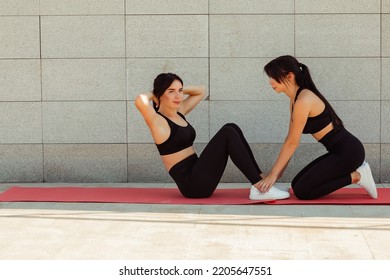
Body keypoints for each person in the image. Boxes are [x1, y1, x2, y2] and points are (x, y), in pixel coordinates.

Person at [135, 73, 289, 200]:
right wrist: (155, 92)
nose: (178, 96)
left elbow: (201, 90)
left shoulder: (178, 112)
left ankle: (262, 182)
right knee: (227, 133)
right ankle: (259, 187)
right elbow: (139, 101)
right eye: (171, 91)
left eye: (180, 91)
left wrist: (176, 87)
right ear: (160, 94)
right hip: (193, 185)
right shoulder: (158, 122)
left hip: (197, 172)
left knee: (231, 127)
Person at [256, 55, 377, 200]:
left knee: (303, 191)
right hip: (338, 152)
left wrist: (273, 175)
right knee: (296, 184)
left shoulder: (304, 100)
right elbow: (290, 139)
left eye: (274, 77)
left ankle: (356, 176)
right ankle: (356, 174)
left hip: (349, 153)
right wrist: (275, 176)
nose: (270, 82)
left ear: (289, 76)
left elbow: (293, 142)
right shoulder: (295, 100)